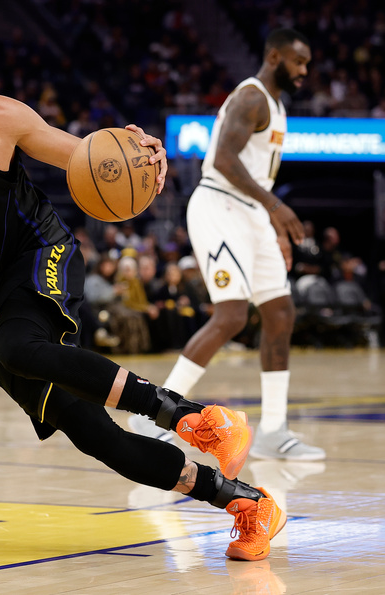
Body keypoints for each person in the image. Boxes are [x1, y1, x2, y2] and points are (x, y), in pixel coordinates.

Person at [0, 35, 284, 561]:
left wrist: (141, 154)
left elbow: (89, 157)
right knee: (98, 438)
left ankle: (196, 419)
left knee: (18, 347)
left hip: (39, 253)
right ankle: (246, 504)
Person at [128, 28, 326, 461]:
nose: (304, 71)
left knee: (280, 312)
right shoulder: (252, 97)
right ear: (274, 57)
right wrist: (276, 208)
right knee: (232, 315)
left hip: (250, 213)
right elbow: (223, 160)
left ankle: (274, 430)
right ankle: (154, 413)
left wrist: (268, 222)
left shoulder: (276, 105)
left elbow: (257, 170)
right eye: (298, 62)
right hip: (219, 205)